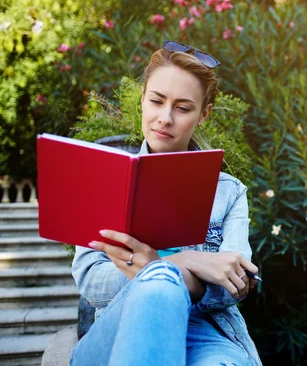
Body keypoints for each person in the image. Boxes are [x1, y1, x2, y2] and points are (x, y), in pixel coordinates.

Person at [70, 41, 262, 366]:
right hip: (121, 328)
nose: (165, 118)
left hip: (206, 334)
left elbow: (234, 283)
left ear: (204, 115)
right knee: (160, 287)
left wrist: (152, 265)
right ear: (143, 99)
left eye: (183, 108)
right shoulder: (104, 178)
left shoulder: (229, 193)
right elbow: (92, 281)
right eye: (157, 101)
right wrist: (181, 264)